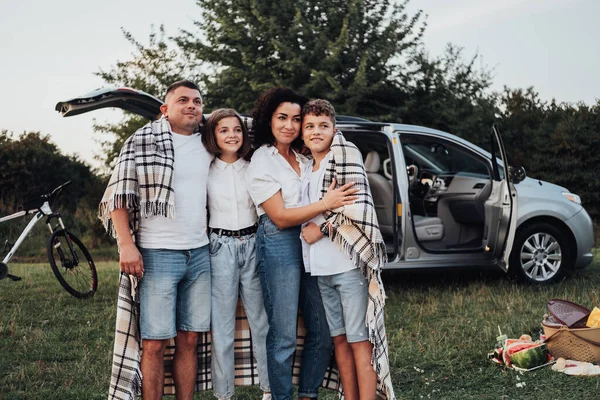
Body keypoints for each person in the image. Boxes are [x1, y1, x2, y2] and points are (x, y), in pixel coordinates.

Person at [99, 80, 213, 400]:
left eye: (197, 101)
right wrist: (126, 244)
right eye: (183, 100)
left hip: (200, 253)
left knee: (190, 339)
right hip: (158, 253)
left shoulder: (211, 139)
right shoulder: (142, 141)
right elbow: (118, 197)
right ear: (165, 109)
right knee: (154, 342)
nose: (191, 105)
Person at [245, 87, 359, 400]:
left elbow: (335, 151)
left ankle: (308, 394)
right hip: (279, 240)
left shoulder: (303, 155)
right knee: (283, 333)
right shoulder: (261, 161)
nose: (289, 125)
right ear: (269, 121)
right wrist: (326, 203)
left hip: (314, 240)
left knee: (322, 329)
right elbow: (280, 217)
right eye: (282, 118)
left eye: (296, 119)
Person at [300, 100, 396, 400]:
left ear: (334, 129)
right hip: (321, 270)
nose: (317, 132)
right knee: (339, 340)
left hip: (347, 267)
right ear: (302, 132)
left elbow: (355, 207)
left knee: (359, 342)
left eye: (323, 126)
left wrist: (322, 230)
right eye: (310, 126)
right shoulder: (307, 167)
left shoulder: (343, 155)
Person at [202, 108, 271, 400]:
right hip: (220, 247)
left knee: (261, 322)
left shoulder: (254, 165)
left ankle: (269, 389)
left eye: (237, 130)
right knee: (223, 326)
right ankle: (224, 394)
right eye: (224, 130)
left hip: (253, 242)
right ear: (213, 136)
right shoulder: (205, 169)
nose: (232, 135)